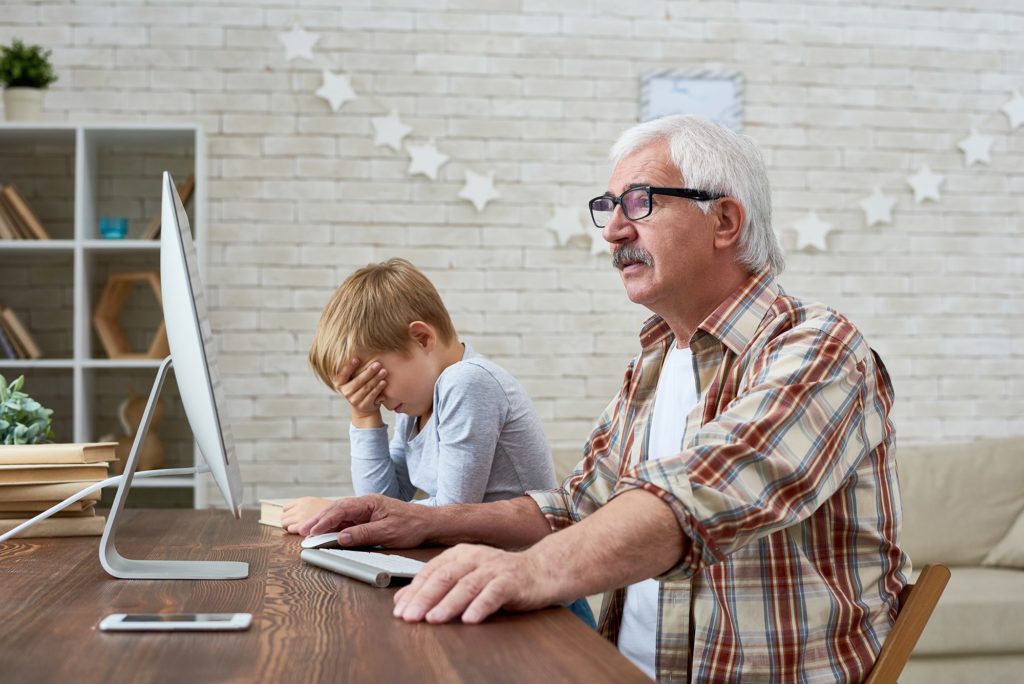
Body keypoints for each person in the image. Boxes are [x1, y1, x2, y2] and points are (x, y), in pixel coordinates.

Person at [300, 115, 908, 682]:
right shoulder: (654, 359)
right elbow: (574, 505)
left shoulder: (820, 347)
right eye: (609, 207)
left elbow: (704, 493)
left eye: (641, 203)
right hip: (615, 666)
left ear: (724, 222)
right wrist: (423, 521)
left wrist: (529, 570)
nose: (615, 229)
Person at [281, 258, 556, 531]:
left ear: (421, 338)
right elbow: (387, 501)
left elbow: (450, 517)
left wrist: (343, 514)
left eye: (375, 379)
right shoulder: (416, 405)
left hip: (515, 561)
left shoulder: (467, 381)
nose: (376, 397)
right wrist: (364, 415)